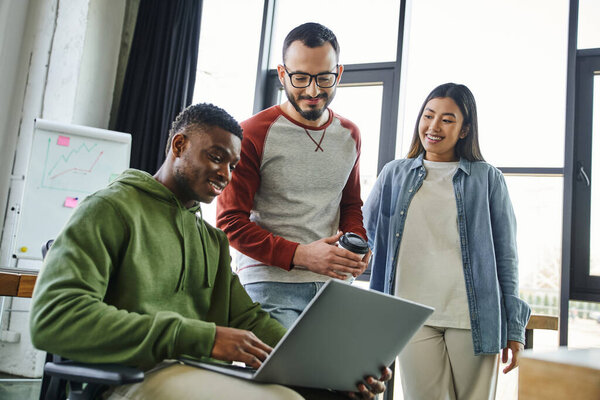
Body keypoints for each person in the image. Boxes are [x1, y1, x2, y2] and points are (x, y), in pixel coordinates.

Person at [30, 103, 389, 399]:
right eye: (216, 157)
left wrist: (335, 370)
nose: (226, 174)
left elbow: (250, 320)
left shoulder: (210, 240)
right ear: (179, 146)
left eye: (233, 165)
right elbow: (55, 318)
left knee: (303, 396)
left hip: (195, 374)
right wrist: (202, 336)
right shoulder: (110, 209)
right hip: (128, 379)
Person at [363, 83, 531, 400]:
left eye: (447, 119)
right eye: (428, 115)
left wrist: (514, 329)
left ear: (465, 129)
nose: (434, 126)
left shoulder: (487, 178)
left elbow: (506, 257)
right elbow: (367, 231)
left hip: (473, 318)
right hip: (411, 315)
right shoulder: (394, 174)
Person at [217, 22, 370, 329]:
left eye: (324, 78)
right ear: (283, 73)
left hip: (334, 286)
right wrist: (301, 255)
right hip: (269, 285)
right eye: (300, 78)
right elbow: (230, 222)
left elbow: (350, 206)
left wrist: (359, 243)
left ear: (338, 74)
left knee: (340, 377)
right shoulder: (251, 133)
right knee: (283, 378)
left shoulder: (349, 134)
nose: (313, 91)